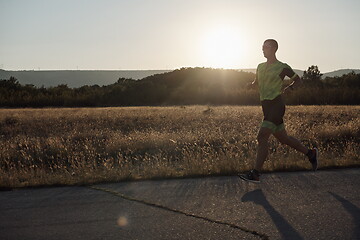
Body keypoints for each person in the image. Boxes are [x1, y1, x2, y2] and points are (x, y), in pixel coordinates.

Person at [239, 39, 318, 183]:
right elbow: (256, 82)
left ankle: (255, 173)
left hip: (277, 105)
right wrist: (250, 85)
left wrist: (290, 88)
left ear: (274, 49)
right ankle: (310, 153)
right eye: (262, 47)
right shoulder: (260, 67)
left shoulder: (282, 67)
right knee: (284, 139)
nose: (262, 49)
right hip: (266, 106)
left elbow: (298, 80)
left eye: (265, 47)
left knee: (262, 136)